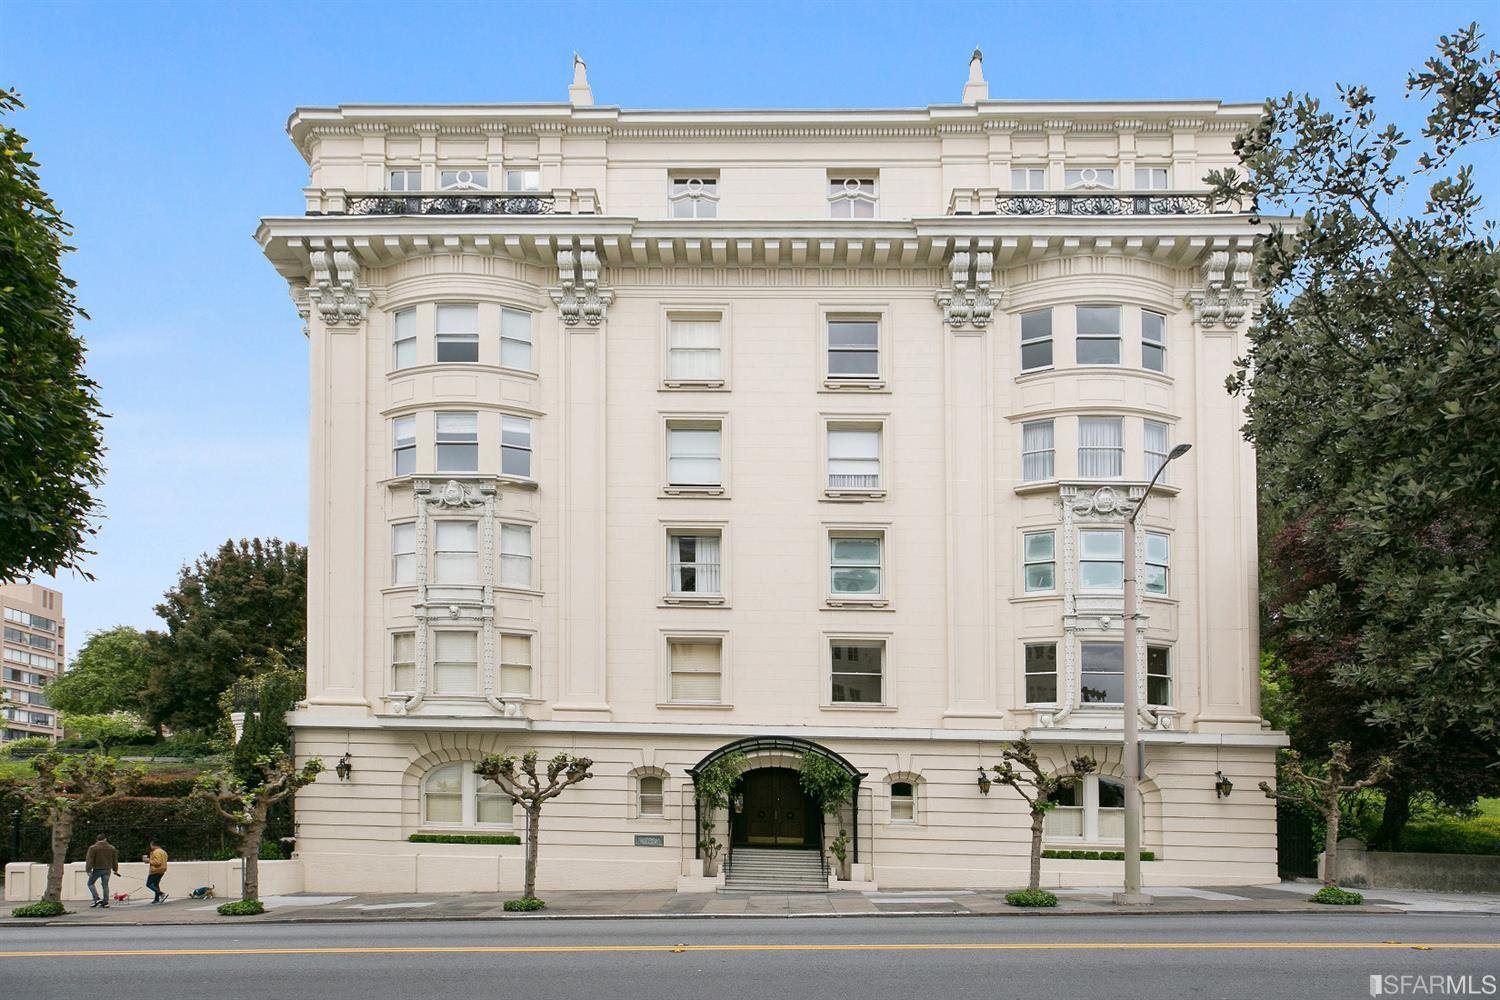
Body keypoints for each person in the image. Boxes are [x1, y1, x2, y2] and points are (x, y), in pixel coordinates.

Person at [85, 834, 119, 908]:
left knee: (90, 883)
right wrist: (115, 870)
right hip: (107, 870)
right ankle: (105, 902)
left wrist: (88, 870)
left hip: (97, 869)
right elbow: (115, 860)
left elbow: (89, 860)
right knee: (105, 885)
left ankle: (96, 898)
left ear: (97, 840)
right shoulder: (112, 848)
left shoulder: (93, 848)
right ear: (105, 839)